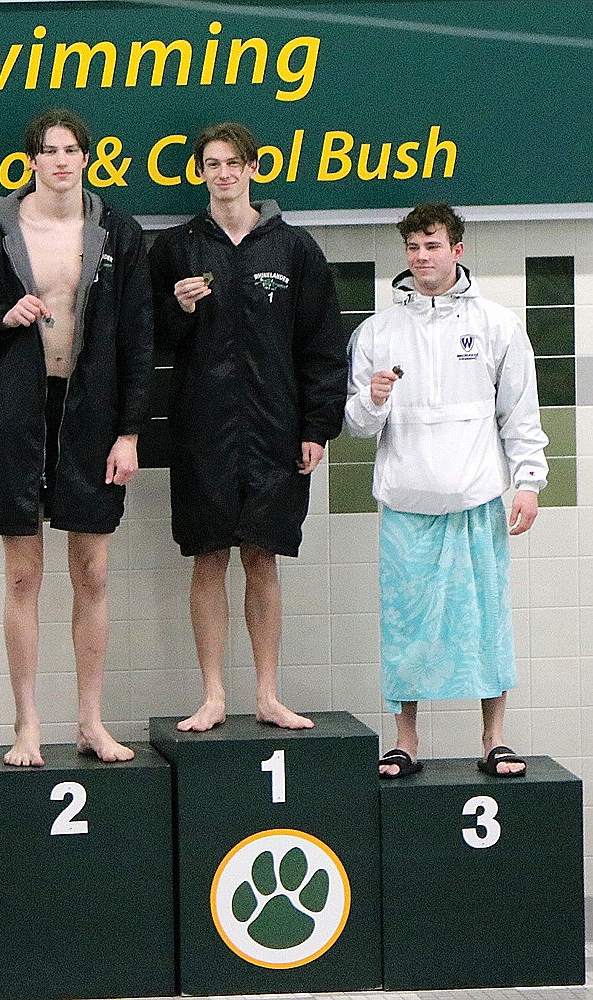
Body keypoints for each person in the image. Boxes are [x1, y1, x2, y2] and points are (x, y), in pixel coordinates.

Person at [0, 109, 154, 766]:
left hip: (91, 418)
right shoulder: (1, 229)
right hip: (18, 414)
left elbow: (138, 339)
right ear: (32, 161)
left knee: (92, 573)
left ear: (87, 158)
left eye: (72, 150)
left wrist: (130, 434)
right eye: (49, 151)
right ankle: (27, 723)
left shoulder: (117, 231)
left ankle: (90, 720)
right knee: (24, 576)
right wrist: (3, 316)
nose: (61, 160)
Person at [149, 121, 347, 732]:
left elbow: (322, 346)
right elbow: (149, 337)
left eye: (233, 162)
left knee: (263, 558)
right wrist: (177, 311)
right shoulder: (178, 248)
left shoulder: (294, 249)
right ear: (200, 173)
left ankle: (266, 694)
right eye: (211, 164)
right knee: (207, 558)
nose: (224, 173)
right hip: (202, 428)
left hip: (275, 431)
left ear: (255, 169)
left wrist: (317, 427)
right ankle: (213, 696)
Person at [345, 203, 548, 779]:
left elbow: (519, 414)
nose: (421, 257)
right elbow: (357, 425)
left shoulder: (496, 324)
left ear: (457, 250)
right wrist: (374, 400)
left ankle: (495, 739)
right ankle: (406, 741)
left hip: (478, 499)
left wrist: (528, 483)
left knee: (486, 620)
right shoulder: (377, 332)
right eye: (413, 248)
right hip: (407, 505)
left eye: (432, 246)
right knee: (406, 625)